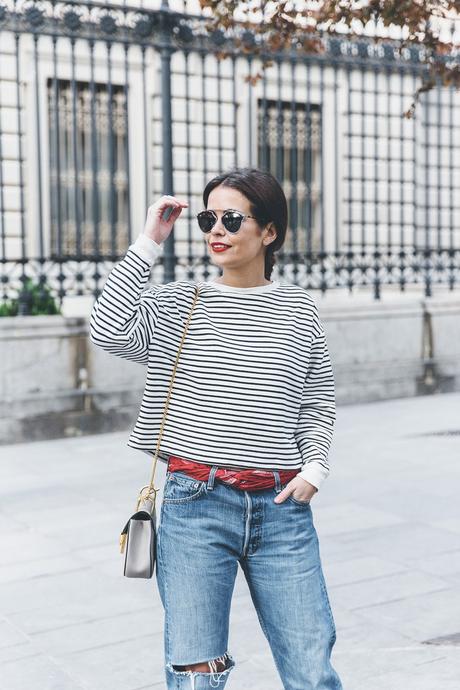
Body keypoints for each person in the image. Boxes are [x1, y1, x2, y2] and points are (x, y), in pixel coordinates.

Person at [89, 167, 343, 689]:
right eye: (209, 218)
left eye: (232, 218)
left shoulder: (298, 307)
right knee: (197, 674)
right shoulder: (182, 303)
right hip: (195, 504)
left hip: (281, 511)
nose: (216, 230)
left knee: (312, 670)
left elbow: (315, 399)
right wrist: (148, 241)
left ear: (269, 231)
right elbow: (108, 330)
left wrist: (315, 468)